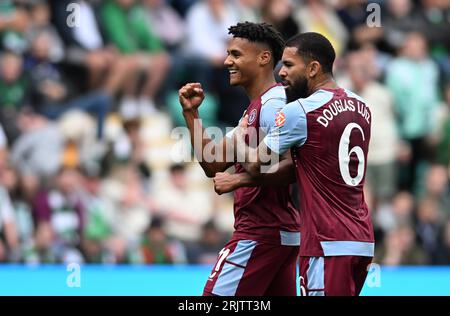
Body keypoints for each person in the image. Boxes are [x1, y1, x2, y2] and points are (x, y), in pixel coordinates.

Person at [232, 32, 374, 296]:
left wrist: (241, 136)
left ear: (313, 68)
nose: (281, 73)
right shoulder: (362, 105)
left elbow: (254, 164)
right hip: (361, 241)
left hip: (326, 243)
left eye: (288, 65)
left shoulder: (300, 112)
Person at [178, 22, 300, 296]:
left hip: (261, 233)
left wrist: (240, 178)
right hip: (276, 233)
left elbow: (296, 164)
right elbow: (212, 164)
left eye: (235, 54)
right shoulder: (255, 110)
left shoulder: (274, 104)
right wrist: (191, 115)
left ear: (263, 58)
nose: (227, 61)